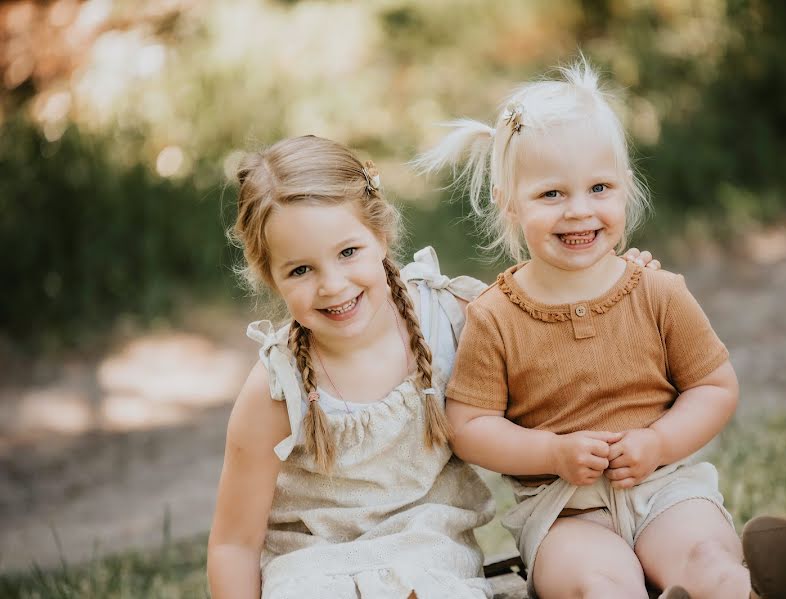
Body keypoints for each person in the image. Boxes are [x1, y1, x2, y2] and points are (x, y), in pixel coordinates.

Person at [417, 58, 786, 599]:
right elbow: (469, 426)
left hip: (665, 486)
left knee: (704, 556)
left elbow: (714, 386)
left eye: (599, 188)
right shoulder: (495, 316)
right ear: (509, 203)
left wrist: (659, 441)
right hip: (564, 511)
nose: (579, 211)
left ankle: (745, 592)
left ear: (626, 188)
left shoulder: (658, 292)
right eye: (551, 194)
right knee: (602, 583)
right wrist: (551, 453)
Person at [205, 133, 663, 598]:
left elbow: (556, 344)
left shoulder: (450, 318)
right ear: (270, 275)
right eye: (300, 270)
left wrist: (615, 287)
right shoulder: (276, 388)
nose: (332, 285)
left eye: (348, 252)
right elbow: (234, 545)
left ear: (380, 235)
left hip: (427, 558)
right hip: (313, 569)